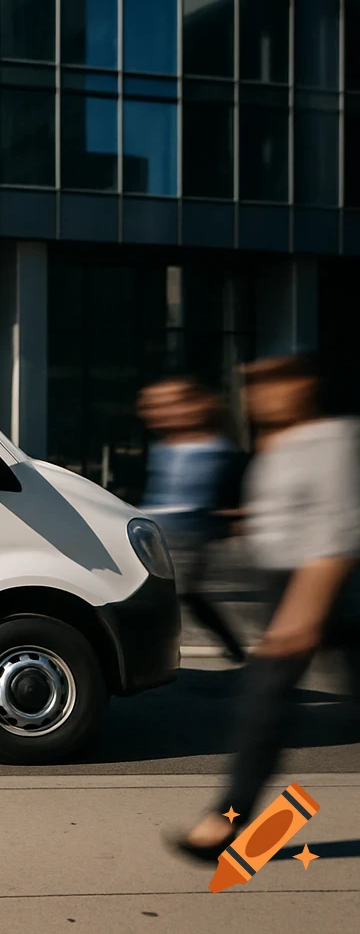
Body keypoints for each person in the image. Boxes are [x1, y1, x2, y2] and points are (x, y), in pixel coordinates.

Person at [172, 354, 360, 861]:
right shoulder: (276, 446)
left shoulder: (334, 440)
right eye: (253, 385)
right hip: (288, 588)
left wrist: (301, 616)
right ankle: (226, 823)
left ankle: (224, 824)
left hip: (325, 586)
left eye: (275, 383)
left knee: (263, 705)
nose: (260, 395)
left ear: (306, 387)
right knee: (267, 707)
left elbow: (338, 533)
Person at [136, 377, 249, 664]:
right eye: (153, 406)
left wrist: (229, 518)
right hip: (155, 528)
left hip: (190, 532)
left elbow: (232, 494)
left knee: (168, 593)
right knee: (184, 595)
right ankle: (230, 645)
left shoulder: (218, 450)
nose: (158, 413)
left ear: (196, 407)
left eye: (169, 405)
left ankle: (150, 653)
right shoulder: (163, 448)